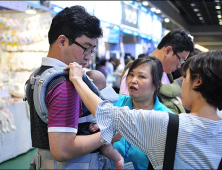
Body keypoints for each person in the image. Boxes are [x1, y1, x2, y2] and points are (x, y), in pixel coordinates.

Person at [66, 50, 222, 169]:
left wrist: (77, 80)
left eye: (185, 78)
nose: (182, 85)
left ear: (198, 81)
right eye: (131, 75)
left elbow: (105, 113)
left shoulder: (167, 123)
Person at [27, 6, 112, 169]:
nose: (88, 56)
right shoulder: (66, 83)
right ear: (62, 41)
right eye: (85, 48)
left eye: (92, 50)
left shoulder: (38, 75)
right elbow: (63, 149)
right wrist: (108, 135)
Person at [119, 29, 194, 114]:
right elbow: (126, 110)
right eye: (180, 60)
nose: (179, 66)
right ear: (167, 51)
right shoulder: (135, 70)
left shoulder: (166, 74)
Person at [85, 70, 124, 170]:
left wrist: (98, 125)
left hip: (104, 134)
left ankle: (118, 159)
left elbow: (108, 118)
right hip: (92, 141)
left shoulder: (105, 100)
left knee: (107, 149)